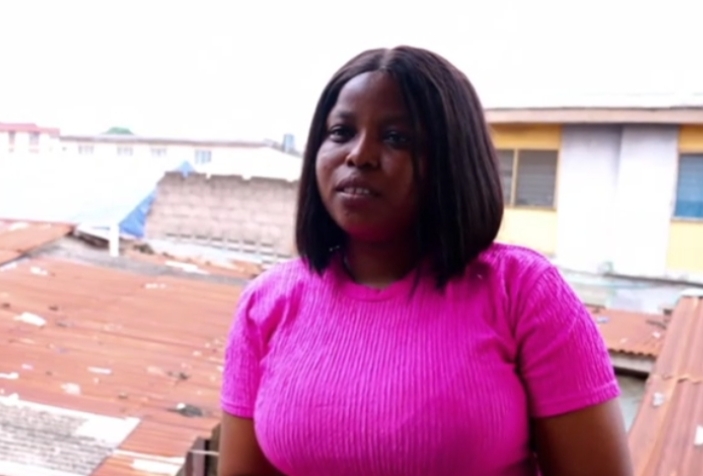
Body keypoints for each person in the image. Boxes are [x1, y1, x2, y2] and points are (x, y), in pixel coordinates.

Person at [218, 46, 633, 476]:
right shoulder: (266, 304)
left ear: (452, 159)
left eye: (397, 138)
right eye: (341, 132)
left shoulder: (523, 292)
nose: (359, 155)